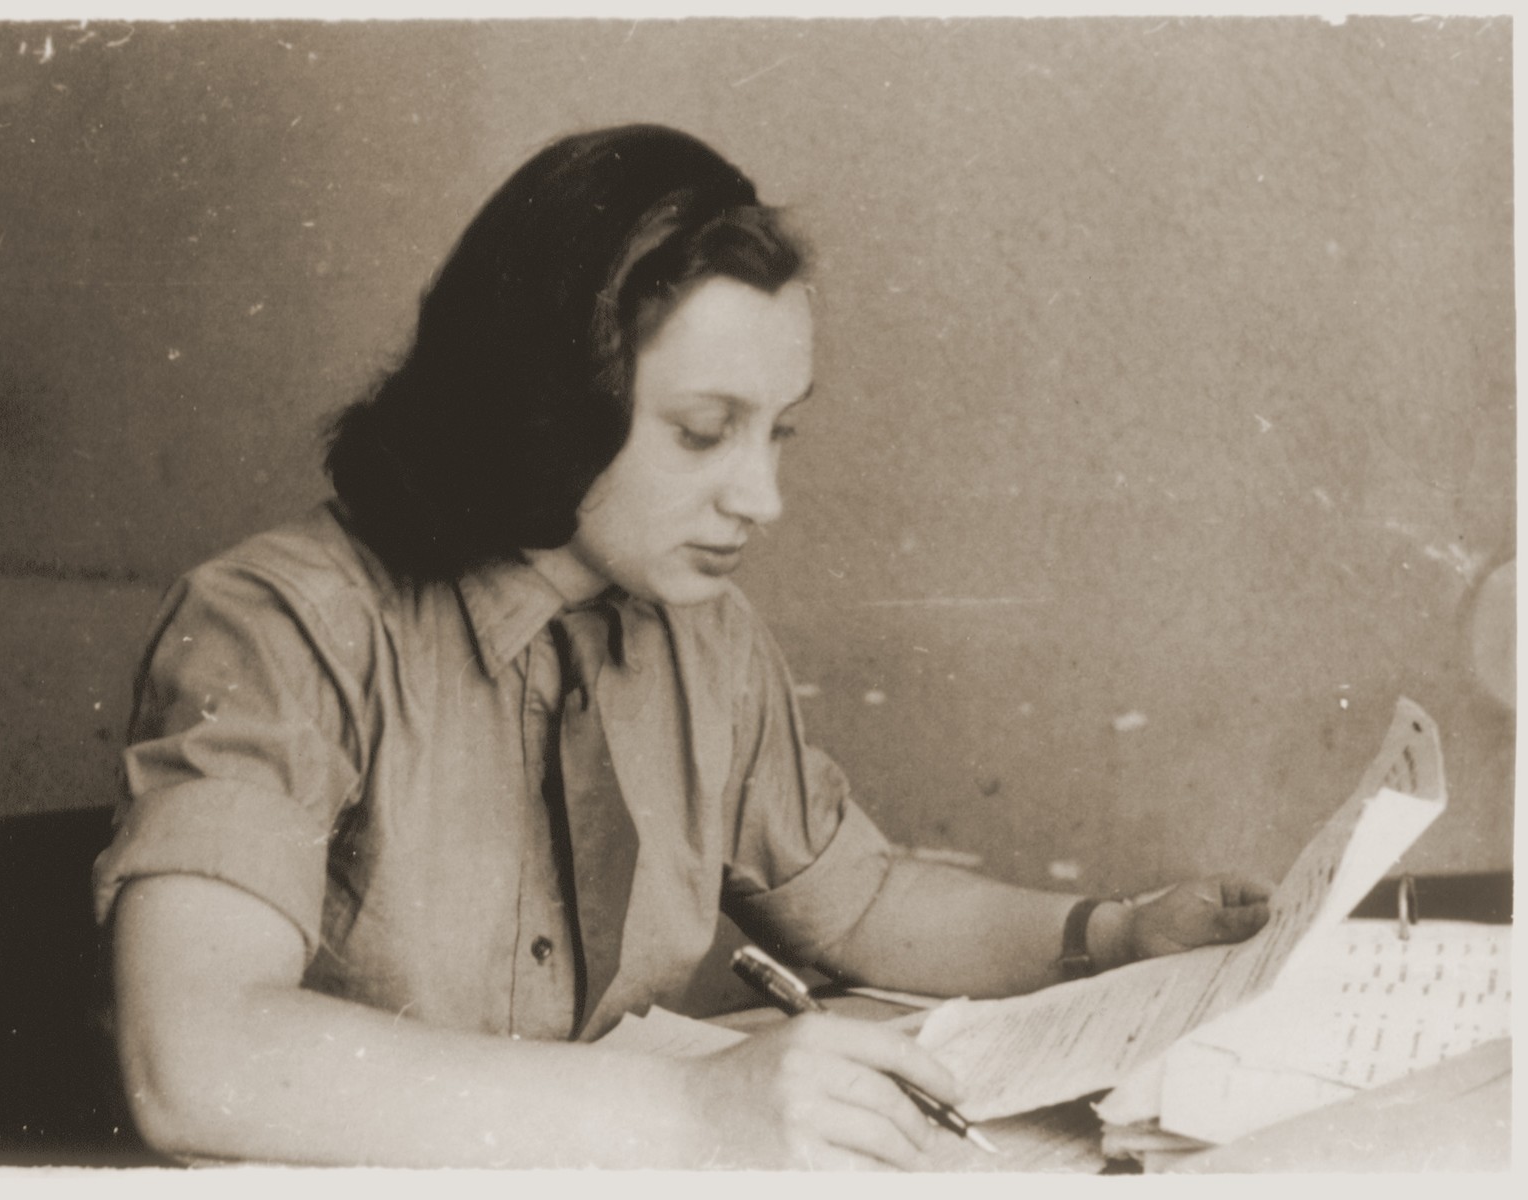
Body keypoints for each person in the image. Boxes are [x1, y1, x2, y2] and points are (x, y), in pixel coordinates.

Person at [94, 123, 1271, 1170]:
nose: (761, 496)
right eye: (705, 433)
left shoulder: (699, 633)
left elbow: (850, 904)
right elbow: (195, 1059)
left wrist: (1111, 934)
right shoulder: (281, 622)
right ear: (550, 404)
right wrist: (693, 1111)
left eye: (778, 434)